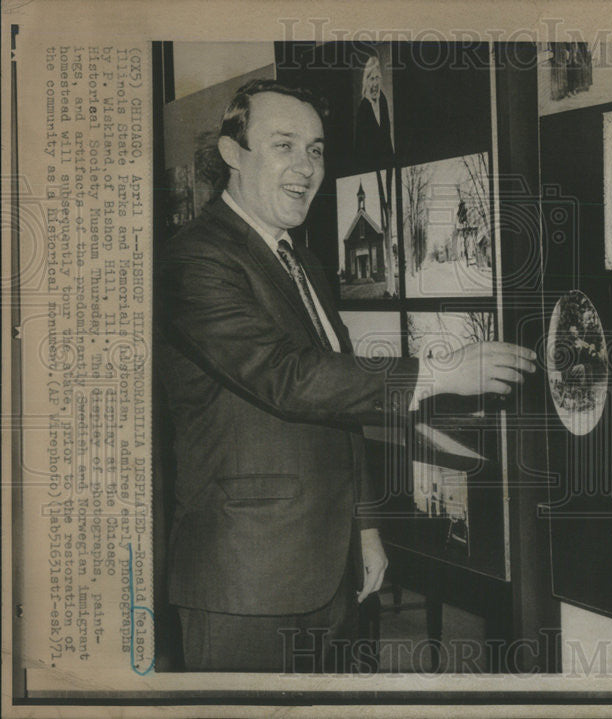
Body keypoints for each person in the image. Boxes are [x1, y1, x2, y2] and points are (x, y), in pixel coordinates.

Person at [156, 79, 535, 672]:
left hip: (331, 574)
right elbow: (287, 377)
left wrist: (365, 529)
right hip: (244, 583)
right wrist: (437, 371)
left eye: (315, 149)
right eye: (283, 145)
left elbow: (342, 403)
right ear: (233, 153)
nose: (305, 167)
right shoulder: (195, 258)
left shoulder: (300, 260)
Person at [353, 54, 394, 170]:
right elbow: (360, 150)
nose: (375, 84)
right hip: (370, 167)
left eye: (377, 78)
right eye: (372, 79)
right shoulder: (363, 109)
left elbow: (387, 137)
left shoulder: (383, 100)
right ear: (366, 81)